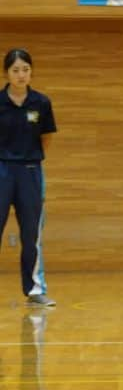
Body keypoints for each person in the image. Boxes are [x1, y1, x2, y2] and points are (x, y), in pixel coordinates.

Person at [0, 49, 57, 307]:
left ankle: (35, 290)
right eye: (15, 70)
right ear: (6, 74)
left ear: (31, 71)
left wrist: (28, 160)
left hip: (31, 172)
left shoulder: (41, 103)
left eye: (25, 69)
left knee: (31, 233)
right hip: (1, 169)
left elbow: (46, 139)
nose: (21, 75)